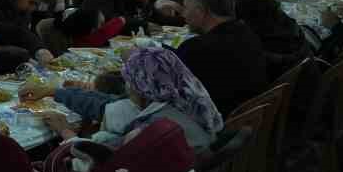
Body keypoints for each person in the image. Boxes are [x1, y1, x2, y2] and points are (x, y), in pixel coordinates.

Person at [42, 45, 222, 151]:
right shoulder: (186, 104)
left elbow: (96, 161)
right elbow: (110, 104)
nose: (127, 87)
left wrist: (65, 131)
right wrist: (55, 92)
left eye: (129, 81)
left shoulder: (151, 129)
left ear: (141, 87)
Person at [176, 0, 268, 115]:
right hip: (249, 117)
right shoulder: (247, 33)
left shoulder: (196, 49)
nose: (183, 14)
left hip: (219, 127)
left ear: (200, 12)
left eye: (185, 7)